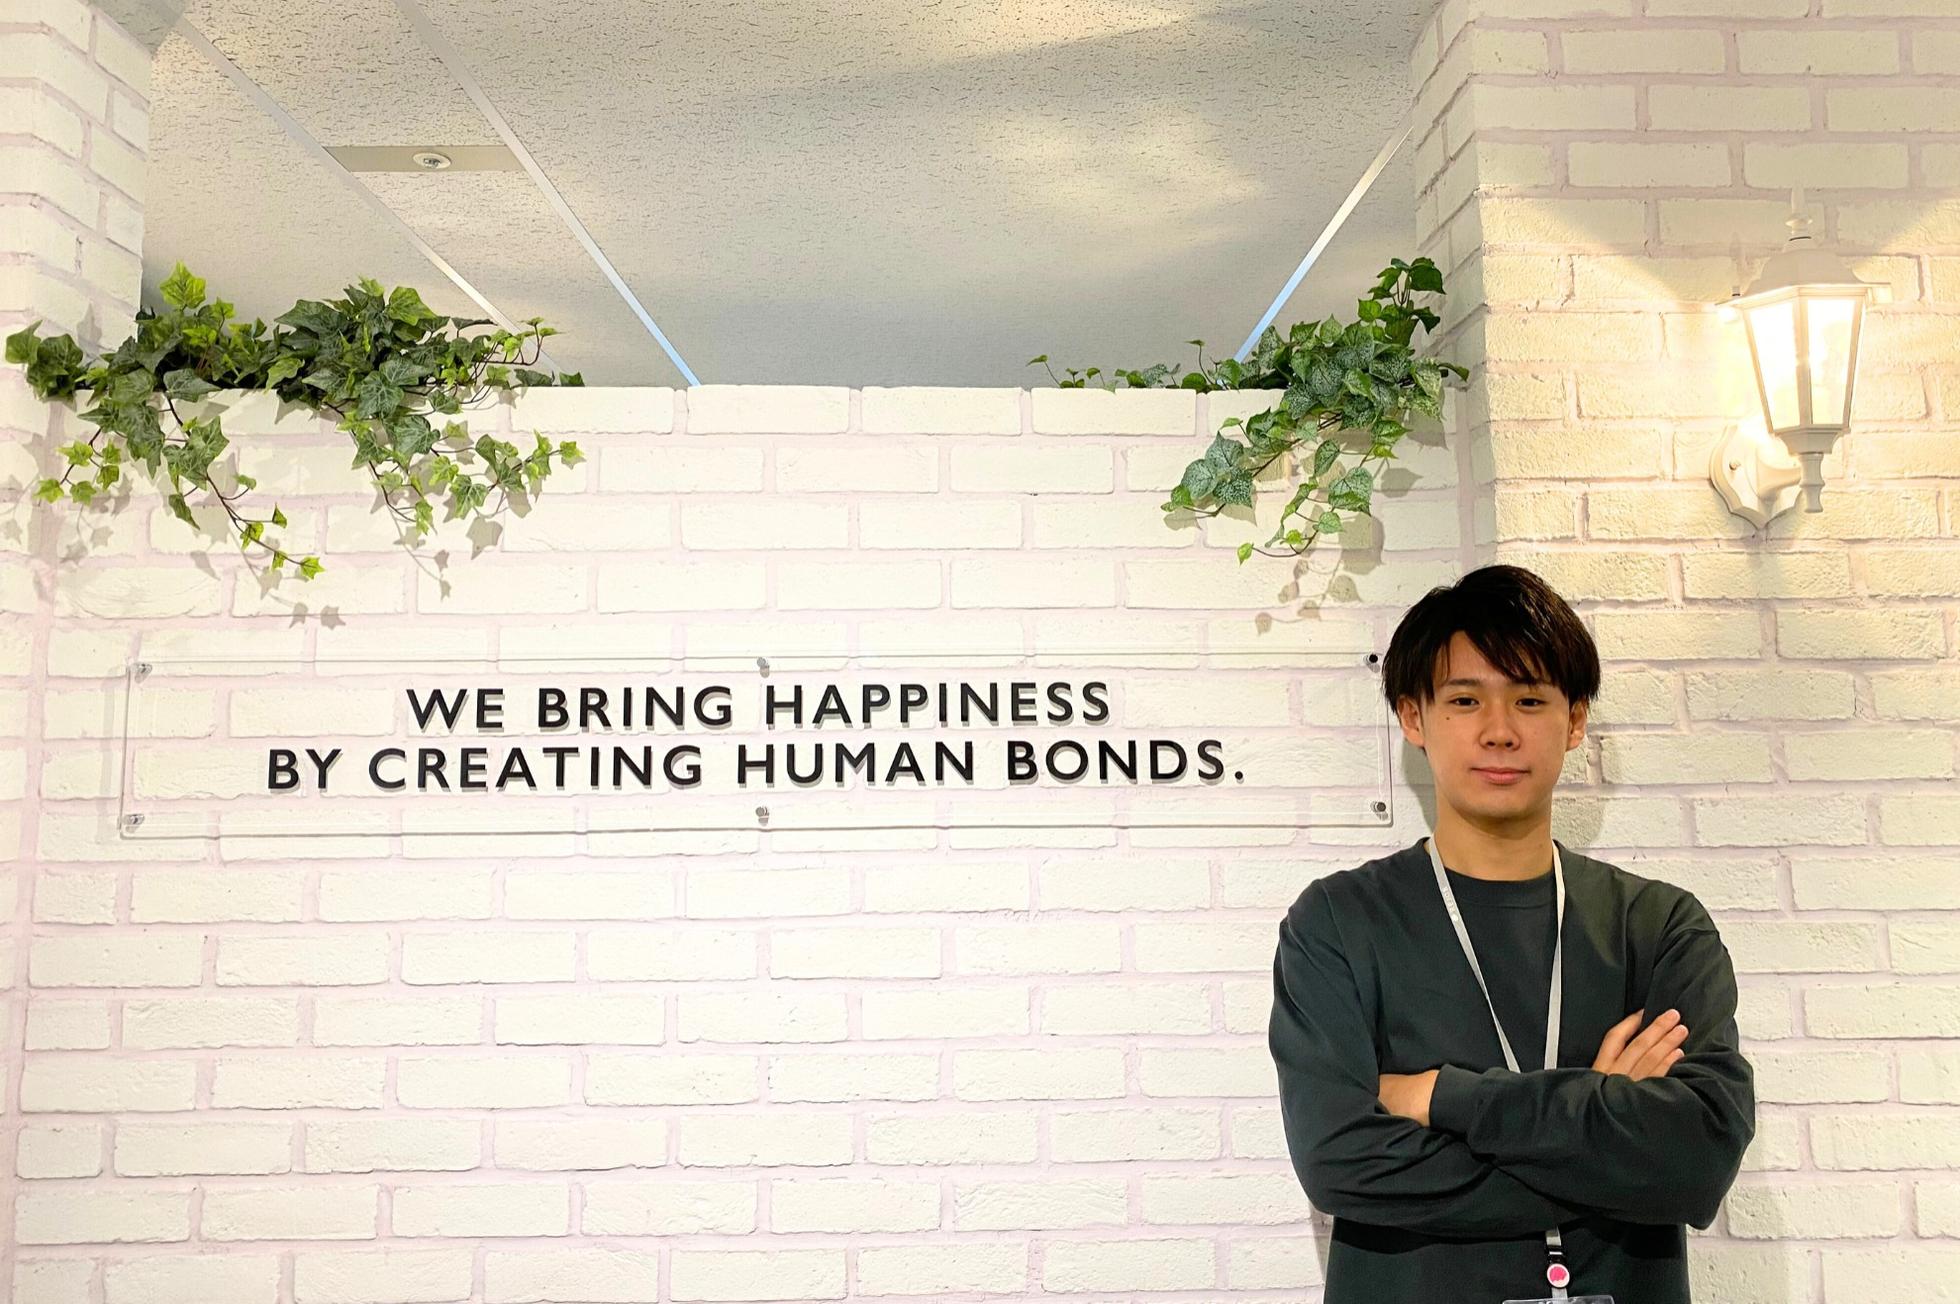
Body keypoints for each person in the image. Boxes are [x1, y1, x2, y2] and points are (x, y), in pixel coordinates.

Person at [1268, 563, 1756, 1304]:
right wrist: (1603, 1124)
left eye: (1530, 699)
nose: (1499, 731)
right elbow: (1341, 1163)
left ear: (1575, 721)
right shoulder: (1338, 921)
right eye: (1465, 700)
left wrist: (1446, 1098)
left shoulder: (1658, 927)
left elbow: (1697, 1161)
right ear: (1413, 718)